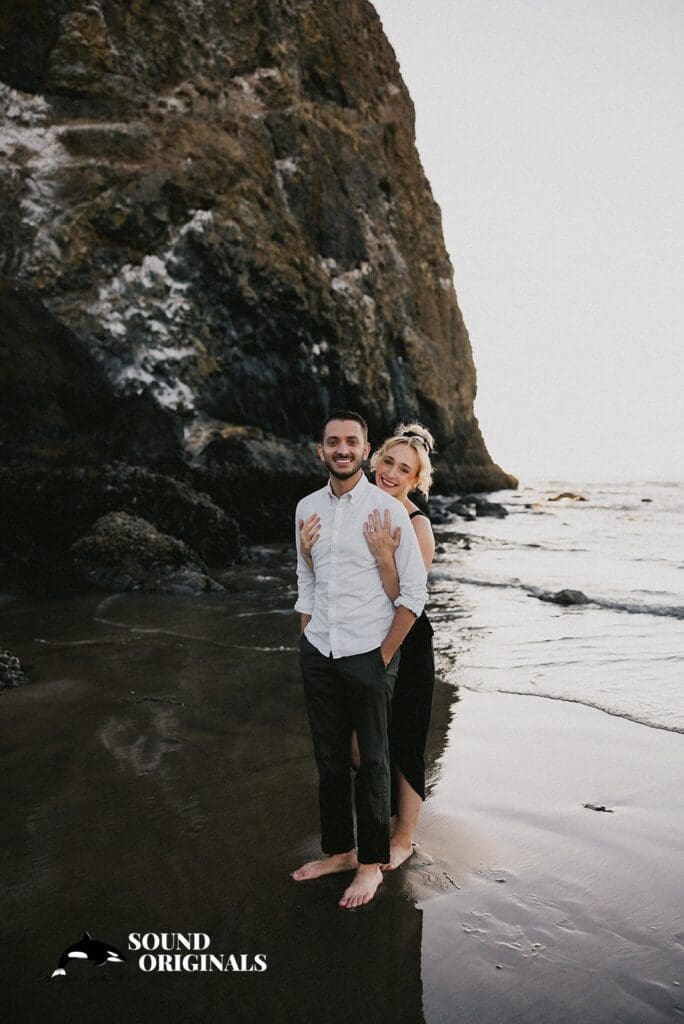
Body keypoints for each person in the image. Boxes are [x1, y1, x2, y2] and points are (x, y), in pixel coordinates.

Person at [292, 411, 427, 909]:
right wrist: (306, 641)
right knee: (328, 760)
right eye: (333, 442)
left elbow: (414, 595)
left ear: (365, 450)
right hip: (319, 651)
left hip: (368, 653)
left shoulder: (389, 513)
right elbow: (307, 579)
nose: (342, 449)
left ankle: (370, 865)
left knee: (372, 761)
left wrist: (381, 657)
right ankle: (339, 852)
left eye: (352, 441)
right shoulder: (307, 507)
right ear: (321, 450)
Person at [364, 423, 436, 869]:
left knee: (407, 740)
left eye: (403, 469)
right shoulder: (363, 507)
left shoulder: (417, 525)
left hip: (407, 642)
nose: (391, 473)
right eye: (387, 462)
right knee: (362, 740)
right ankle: (382, 815)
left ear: (416, 479)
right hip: (364, 636)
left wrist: (382, 557)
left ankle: (404, 837)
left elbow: (409, 601)